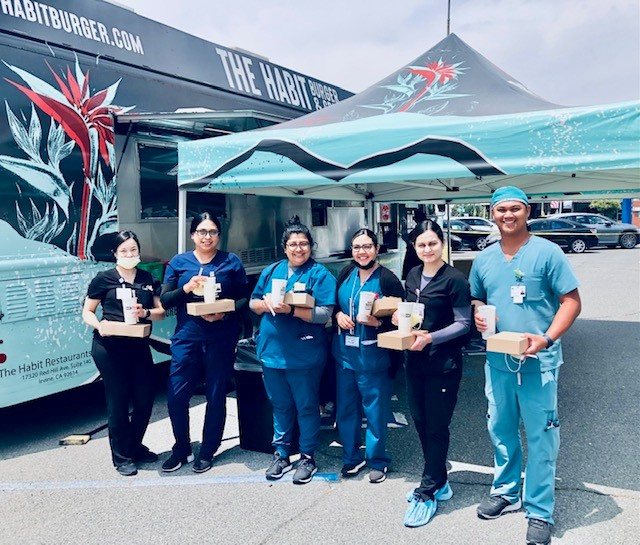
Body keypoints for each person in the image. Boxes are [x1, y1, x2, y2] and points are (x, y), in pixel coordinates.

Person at [469, 186, 581, 545]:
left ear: (527, 211)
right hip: (498, 362)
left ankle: (539, 511)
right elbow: (477, 297)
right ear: (493, 214)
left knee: (541, 437)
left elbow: (571, 302)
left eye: (515, 209)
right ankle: (505, 491)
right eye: (501, 210)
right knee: (500, 430)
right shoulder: (484, 258)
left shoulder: (547, 253)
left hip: (539, 362)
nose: (508, 215)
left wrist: (546, 339)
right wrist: (478, 315)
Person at [250, 216, 337, 485]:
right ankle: (282, 452)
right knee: (280, 405)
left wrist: (292, 310)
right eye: (293, 244)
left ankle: (308, 456)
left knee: (307, 406)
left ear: (311, 246)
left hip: (304, 352)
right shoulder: (271, 270)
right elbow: (253, 302)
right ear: (284, 247)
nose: (298, 249)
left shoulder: (319, 274)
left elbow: (325, 313)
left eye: (303, 244)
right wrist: (265, 305)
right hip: (272, 352)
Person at [396, 220, 472, 527]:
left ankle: (427, 493)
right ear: (414, 247)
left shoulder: (454, 279)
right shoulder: (413, 274)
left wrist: (431, 337)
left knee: (437, 427)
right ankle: (439, 481)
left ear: (442, 243)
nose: (427, 249)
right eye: (421, 245)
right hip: (414, 362)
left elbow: (463, 324)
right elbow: (410, 314)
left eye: (432, 243)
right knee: (421, 422)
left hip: (443, 364)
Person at [160, 213, 248, 473]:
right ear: (192, 235)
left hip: (221, 336)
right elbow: (165, 301)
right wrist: (186, 288)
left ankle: (208, 450)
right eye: (201, 231)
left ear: (219, 235)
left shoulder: (230, 262)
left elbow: (244, 298)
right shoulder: (179, 262)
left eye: (212, 232)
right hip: (187, 336)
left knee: (216, 393)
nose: (206, 236)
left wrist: (225, 312)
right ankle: (182, 448)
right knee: (176, 394)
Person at [82, 231, 165, 476]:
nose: (129, 254)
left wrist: (145, 313)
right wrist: (100, 326)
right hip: (109, 347)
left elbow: (160, 311)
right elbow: (87, 311)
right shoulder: (103, 279)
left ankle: (134, 446)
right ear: (115, 254)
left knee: (144, 399)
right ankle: (121, 457)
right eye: (124, 251)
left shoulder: (148, 278)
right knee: (117, 402)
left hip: (138, 345)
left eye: (133, 250)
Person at [332, 228, 404, 483]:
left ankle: (377, 460)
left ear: (376, 249)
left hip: (374, 357)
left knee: (375, 412)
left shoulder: (388, 279)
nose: (362, 252)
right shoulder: (345, 274)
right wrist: (338, 316)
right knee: (346, 410)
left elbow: (403, 319)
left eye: (366, 247)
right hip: (345, 356)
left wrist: (379, 324)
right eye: (357, 247)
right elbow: (334, 307)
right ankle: (352, 457)